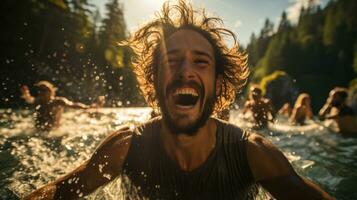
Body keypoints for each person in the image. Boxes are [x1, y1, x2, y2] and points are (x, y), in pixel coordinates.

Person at [24, 1, 334, 199]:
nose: (185, 71)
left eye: (200, 62)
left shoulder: (251, 153)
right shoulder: (126, 146)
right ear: (154, 79)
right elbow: (57, 193)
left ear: (218, 83)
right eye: (172, 61)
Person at [20, 80, 92, 131]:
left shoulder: (58, 101)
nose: (41, 92)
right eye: (40, 90)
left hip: (55, 130)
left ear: (51, 91)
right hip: (39, 131)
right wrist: (26, 94)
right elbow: (29, 99)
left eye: (44, 90)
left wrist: (87, 107)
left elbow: (72, 105)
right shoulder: (38, 101)